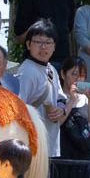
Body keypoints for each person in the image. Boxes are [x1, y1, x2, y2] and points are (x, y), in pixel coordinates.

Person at [17, 20, 67, 158]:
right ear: (28, 45)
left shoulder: (51, 69)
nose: (43, 47)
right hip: (31, 145)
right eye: (38, 42)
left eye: (48, 43)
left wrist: (60, 109)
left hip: (48, 142)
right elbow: (18, 108)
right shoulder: (26, 72)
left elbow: (61, 98)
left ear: (54, 46)